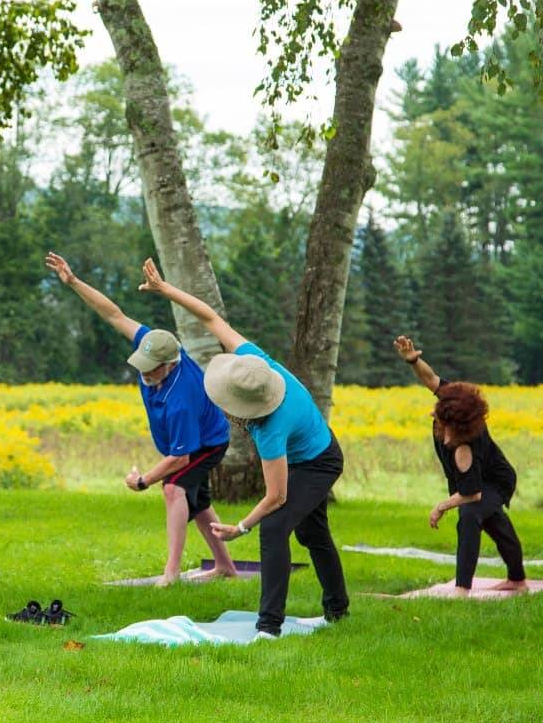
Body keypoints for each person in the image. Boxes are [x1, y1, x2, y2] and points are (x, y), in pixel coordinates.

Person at [138, 258, 348, 636]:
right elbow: (211, 319)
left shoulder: (270, 426)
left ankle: (268, 627)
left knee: (274, 528)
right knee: (312, 534)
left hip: (320, 461)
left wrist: (241, 527)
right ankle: (338, 612)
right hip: (305, 453)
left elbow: (277, 496)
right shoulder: (255, 363)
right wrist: (166, 289)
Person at [44, 252, 238, 586]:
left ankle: (171, 574)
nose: (144, 373)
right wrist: (74, 282)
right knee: (198, 502)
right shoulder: (154, 346)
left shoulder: (182, 397)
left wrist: (143, 481)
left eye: (151, 369)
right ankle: (225, 568)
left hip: (209, 442)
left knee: (174, 488)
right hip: (191, 441)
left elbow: (181, 457)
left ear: (170, 364)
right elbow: (114, 315)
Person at [394, 335, 527, 595]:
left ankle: (462, 589)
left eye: (445, 424)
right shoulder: (453, 401)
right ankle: (518, 580)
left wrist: (441, 507)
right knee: (495, 522)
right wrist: (414, 360)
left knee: (470, 515)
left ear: (460, 427)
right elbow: (431, 379)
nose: (434, 414)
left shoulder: (465, 449)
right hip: (476, 481)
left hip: (495, 481)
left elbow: (472, 493)